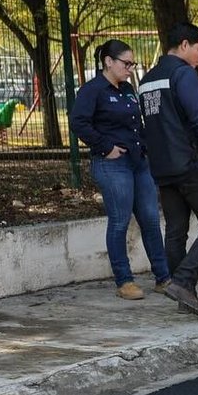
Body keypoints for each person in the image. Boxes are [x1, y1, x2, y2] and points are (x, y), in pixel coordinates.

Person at [138, 22, 198, 317]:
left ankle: (185, 297)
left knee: (176, 232)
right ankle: (182, 281)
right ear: (184, 45)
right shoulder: (183, 74)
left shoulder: (147, 80)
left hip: (163, 167)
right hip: (192, 164)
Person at [69, 39, 171, 301]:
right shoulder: (93, 90)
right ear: (108, 62)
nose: (130, 68)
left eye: (132, 64)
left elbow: (138, 123)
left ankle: (164, 277)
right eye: (126, 63)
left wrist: (147, 147)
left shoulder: (127, 89)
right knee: (119, 221)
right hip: (112, 164)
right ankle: (124, 280)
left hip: (138, 162)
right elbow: (78, 122)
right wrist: (106, 147)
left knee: (150, 218)